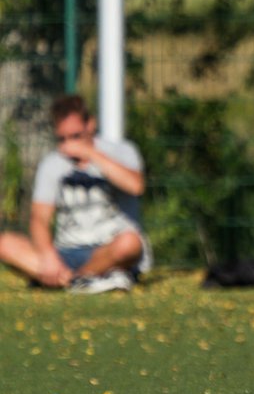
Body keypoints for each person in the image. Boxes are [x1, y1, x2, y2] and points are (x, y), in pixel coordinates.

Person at [0, 94, 148, 294]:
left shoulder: (122, 150)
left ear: (91, 125)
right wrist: (48, 256)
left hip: (109, 249)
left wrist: (91, 154)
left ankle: (75, 279)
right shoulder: (53, 163)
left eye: (76, 136)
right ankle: (82, 279)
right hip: (67, 253)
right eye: (62, 139)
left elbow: (136, 186)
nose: (69, 145)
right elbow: (39, 219)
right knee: (6, 244)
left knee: (130, 243)